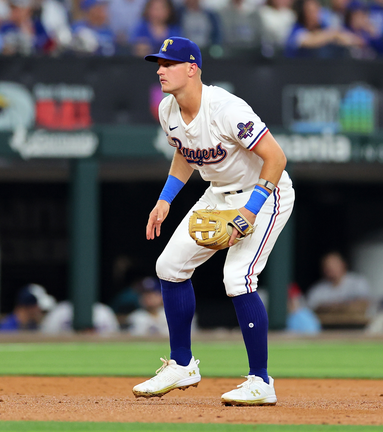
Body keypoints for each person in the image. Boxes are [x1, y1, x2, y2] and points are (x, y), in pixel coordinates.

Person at [131, 37, 295, 406]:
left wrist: (249, 211)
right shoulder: (167, 110)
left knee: (237, 278)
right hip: (217, 194)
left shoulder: (225, 108)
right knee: (169, 266)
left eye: (168, 63)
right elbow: (186, 153)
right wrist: (165, 198)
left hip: (265, 193)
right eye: (158, 63)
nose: (159, 70)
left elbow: (277, 158)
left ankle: (260, 381)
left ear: (191, 68)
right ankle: (182, 364)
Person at [284, 0, 362, 58]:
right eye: (311, 11)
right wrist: (333, 34)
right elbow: (310, 41)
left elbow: (348, 38)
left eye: (317, 10)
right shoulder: (296, 30)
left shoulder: (324, 26)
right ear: (303, 13)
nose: (317, 14)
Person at [306, 251, 370, 312]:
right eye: (327, 267)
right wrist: (344, 306)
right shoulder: (317, 289)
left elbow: (364, 304)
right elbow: (311, 308)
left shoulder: (358, 282)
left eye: (334, 265)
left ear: (343, 264)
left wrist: (331, 307)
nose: (331, 269)